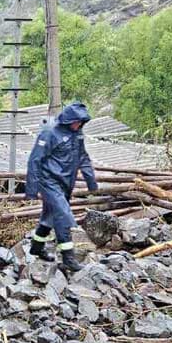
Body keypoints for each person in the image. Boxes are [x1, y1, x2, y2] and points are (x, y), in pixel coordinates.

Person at [24, 101, 98, 271]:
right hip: (49, 181)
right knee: (63, 216)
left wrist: (91, 181)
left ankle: (36, 246)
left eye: (81, 122)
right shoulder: (49, 134)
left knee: (50, 215)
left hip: (66, 183)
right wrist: (32, 190)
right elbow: (35, 160)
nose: (79, 125)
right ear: (68, 119)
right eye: (77, 121)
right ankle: (68, 258)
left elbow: (83, 158)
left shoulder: (77, 135)